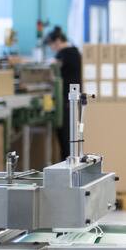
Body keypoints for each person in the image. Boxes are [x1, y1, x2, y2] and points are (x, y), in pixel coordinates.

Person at [45, 26, 82, 160]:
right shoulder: (75, 51)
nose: (52, 48)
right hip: (71, 100)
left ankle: (66, 164)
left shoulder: (66, 53)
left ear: (58, 41)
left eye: (51, 45)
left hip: (66, 101)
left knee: (65, 136)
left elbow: (51, 65)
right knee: (69, 135)